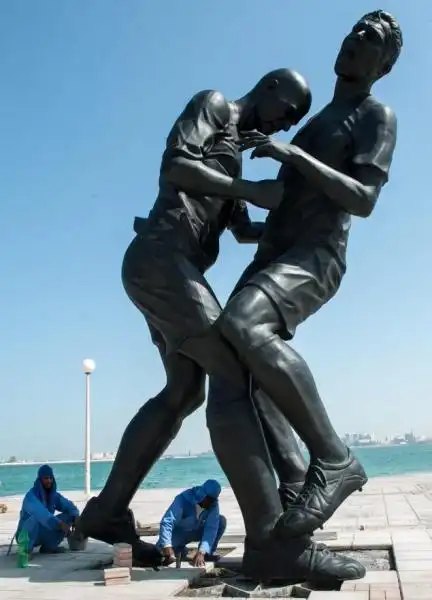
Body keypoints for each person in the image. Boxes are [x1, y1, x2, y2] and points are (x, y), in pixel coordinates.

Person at [72, 68, 313, 567]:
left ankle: (107, 512)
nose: (286, 125)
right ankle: (271, 530)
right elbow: (178, 167)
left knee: (184, 392)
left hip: (171, 271)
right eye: (288, 112)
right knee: (234, 366)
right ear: (271, 88)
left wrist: (302, 216)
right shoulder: (215, 105)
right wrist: (250, 189)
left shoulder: (239, 155)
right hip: (161, 260)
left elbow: (245, 230)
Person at [205, 10, 402, 581]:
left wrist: (292, 155)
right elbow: (272, 214)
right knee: (234, 369)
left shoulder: (375, 115)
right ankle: (291, 508)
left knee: (244, 326)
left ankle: (335, 458)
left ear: (382, 66)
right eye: (357, 28)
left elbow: (363, 199)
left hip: (314, 259)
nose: (357, 38)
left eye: (374, 39)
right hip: (274, 254)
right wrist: (229, 207)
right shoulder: (320, 120)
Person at [157, 479, 226, 567]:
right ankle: (181, 550)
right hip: (178, 533)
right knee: (159, 555)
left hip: (196, 531)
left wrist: (202, 551)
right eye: (208, 499)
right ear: (202, 494)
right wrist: (167, 546)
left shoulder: (213, 505)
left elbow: (211, 528)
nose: (209, 503)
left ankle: (206, 555)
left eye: (212, 500)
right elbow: (167, 522)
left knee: (221, 521)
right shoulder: (183, 499)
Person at [16, 465, 79, 554]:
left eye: (50, 478)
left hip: (42, 532)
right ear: (40, 479)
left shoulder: (53, 496)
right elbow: (42, 515)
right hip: (26, 535)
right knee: (34, 518)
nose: (49, 481)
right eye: (46, 478)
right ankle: (26, 550)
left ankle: (49, 547)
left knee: (69, 516)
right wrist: (60, 524)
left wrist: (76, 516)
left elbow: (70, 506)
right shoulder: (31, 497)